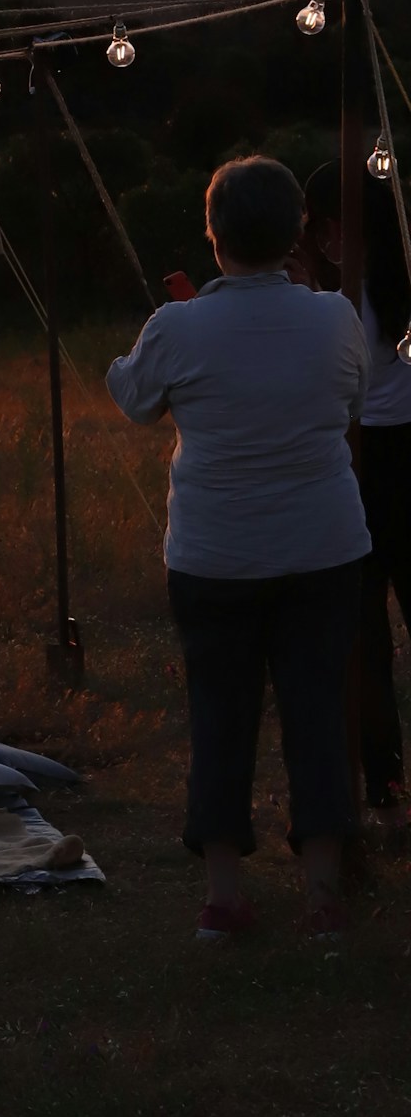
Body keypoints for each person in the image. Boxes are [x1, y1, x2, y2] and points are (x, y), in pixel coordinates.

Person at [107, 154, 370, 941]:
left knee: (220, 716)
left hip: (214, 556)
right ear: (296, 233)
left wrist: (168, 330)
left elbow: (131, 397)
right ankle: (323, 892)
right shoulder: (333, 317)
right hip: (324, 549)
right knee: (318, 714)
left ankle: (224, 896)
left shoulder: (180, 325)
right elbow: (350, 399)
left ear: (214, 236)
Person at [301, 165, 411, 807]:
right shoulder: (384, 286)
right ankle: (386, 785)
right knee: (365, 636)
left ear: (334, 229)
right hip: (384, 456)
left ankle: (385, 786)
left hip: (364, 461)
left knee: (366, 640)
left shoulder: (335, 305)